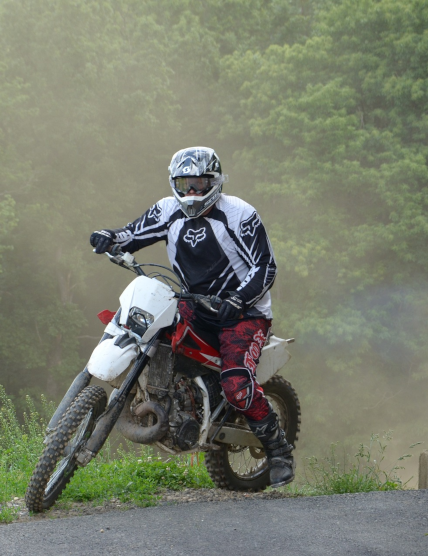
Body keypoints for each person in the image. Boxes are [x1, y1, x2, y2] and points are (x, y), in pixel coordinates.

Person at [89, 146, 294, 487]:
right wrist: (110, 238)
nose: (193, 191)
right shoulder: (168, 210)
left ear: (215, 181)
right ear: (175, 183)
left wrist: (239, 300)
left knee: (236, 384)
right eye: (185, 183)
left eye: (200, 183)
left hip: (242, 314)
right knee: (148, 333)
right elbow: (132, 235)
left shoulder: (240, 214)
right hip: (192, 302)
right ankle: (170, 400)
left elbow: (265, 267)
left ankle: (279, 450)